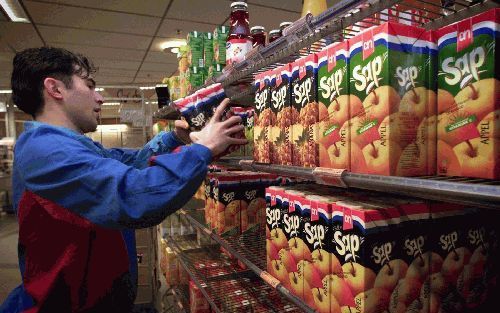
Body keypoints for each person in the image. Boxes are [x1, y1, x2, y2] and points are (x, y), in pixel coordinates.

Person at [0, 47, 247, 313]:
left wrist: (176, 138)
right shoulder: (47, 151)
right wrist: (203, 149)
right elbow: (134, 195)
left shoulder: (65, 145)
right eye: (90, 85)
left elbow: (127, 163)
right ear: (55, 89)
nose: (100, 97)